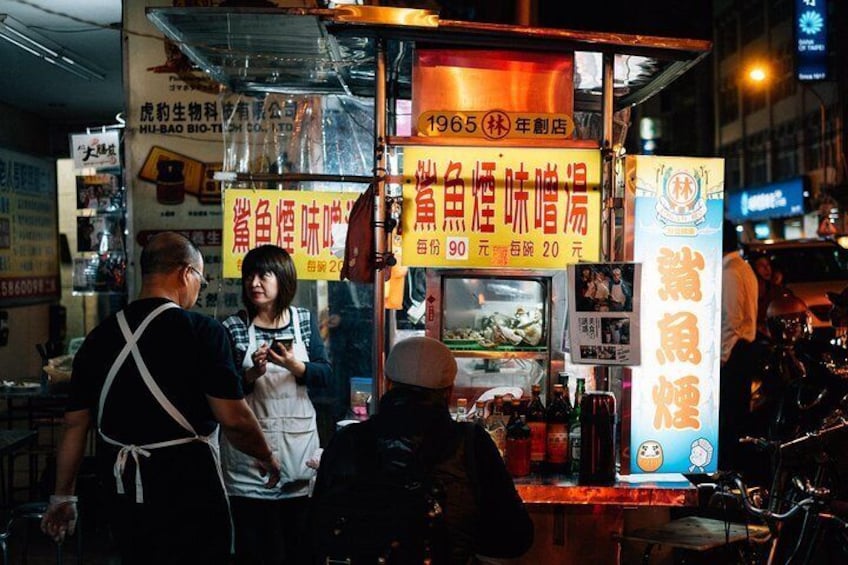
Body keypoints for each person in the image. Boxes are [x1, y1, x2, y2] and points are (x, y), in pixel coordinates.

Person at [40, 232, 281, 565]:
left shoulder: (99, 337)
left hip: (122, 491)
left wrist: (63, 497)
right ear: (186, 274)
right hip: (189, 491)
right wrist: (266, 455)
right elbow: (235, 419)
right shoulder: (203, 331)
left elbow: (74, 425)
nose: (200, 288)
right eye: (201, 279)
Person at [311, 336, 534, 563]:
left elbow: (315, 531)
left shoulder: (347, 440)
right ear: (449, 392)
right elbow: (515, 538)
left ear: (388, 383)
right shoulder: (472, 443)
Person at [220, 244, 332, 565]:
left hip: (298, 452)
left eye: (263, 275)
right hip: (249, 457)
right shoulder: (235, 326)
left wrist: (296, 367)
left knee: (298, 546)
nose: (254, 283)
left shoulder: (305, 321)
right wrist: (253, 372)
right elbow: (224, 392)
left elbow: (326, 377)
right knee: (255, 549)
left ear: (283, 279)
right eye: (249, 276)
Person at [719, 220, 759, 472]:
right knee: (735, 416)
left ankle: (730, 470)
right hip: (742, 349)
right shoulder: (740, 267)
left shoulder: (731, 271)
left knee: (730, 418)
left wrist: (722, 358)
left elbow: (731, 321)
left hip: (736, 351)